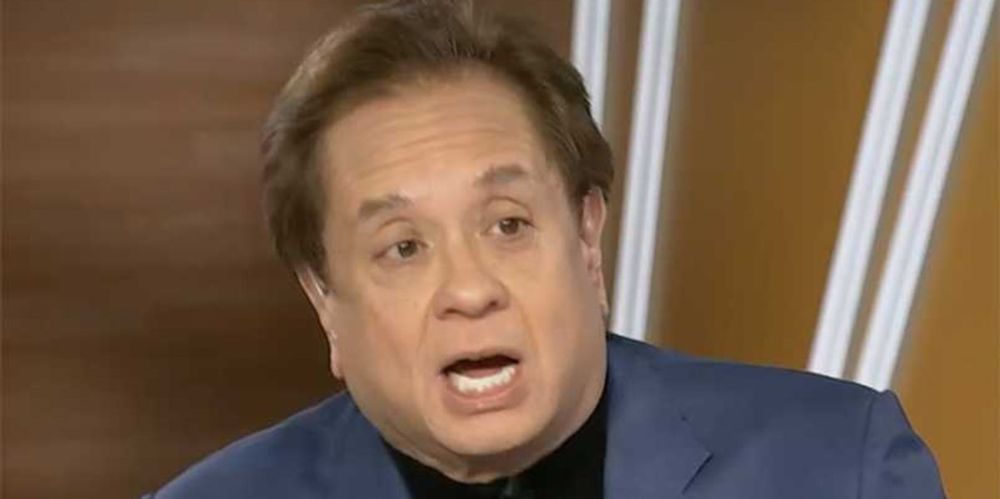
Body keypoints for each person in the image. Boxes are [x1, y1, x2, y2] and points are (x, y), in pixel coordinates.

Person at [145, 1, 945, 497]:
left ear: (588, 237)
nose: (470, 290)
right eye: (404, 246)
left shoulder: (841, 466)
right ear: (324, 298)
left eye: (508, 225)